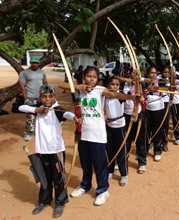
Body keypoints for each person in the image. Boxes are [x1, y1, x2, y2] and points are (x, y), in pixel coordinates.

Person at [59, 66, 139, 206]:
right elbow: (62, 85)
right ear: (84, 77)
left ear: (97, 79)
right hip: (82, 132)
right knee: (85, 162)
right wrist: (81, 87)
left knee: (100, 164)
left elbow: (115, 95)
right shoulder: (80, 89)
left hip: (98, 134)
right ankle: (85, 185)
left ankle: (103, 190)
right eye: (88, 76)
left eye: (94, 77)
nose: (91, 79)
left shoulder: (100, 90)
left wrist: (133, 97)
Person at [18, 85, 77, 218]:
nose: (47, 99)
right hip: (42, 151)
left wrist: (75, 117)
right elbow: (21, 107)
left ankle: (60, 202)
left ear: (55, 97)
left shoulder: (57, 110)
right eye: (44, 97)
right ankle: (44, 201)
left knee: (58, 178)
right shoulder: (38, 109)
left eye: (50, 96)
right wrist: (36, 109)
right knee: (45, 178)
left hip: (56, 151)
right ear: (40, 98)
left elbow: (67, 114)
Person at [19, 56, 48, 141]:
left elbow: (46, 84)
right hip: (30, 98)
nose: (35, 64)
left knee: (43, 115)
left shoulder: (42, 73)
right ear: (30, 62)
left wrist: (46, 96)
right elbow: (22, 87)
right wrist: (26, 99)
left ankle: (41, 132)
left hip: (41, 98)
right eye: (33, 62)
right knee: (30, 117)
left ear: (39, 63)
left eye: (36, 63)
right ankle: (29, 133)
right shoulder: (24, 73)